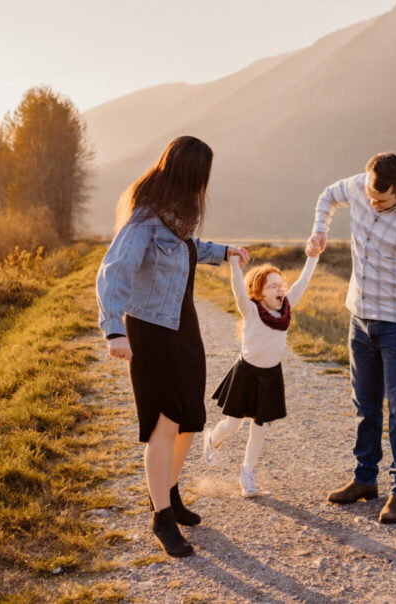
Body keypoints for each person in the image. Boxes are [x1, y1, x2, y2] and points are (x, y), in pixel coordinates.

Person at [96, 135, 249, 557]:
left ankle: (168, 491)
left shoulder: (180, 214)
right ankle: (161, 516)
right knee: (162, 423)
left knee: (190, 417)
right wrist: (114, 330)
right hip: (149, 328)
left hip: (182, 324)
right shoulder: (144, 217)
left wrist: (224, 252)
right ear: (187, 173)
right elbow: (113, 270)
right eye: (202, 174)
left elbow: (186, 248)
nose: (205, 182)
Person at [306, 152, 396, 524]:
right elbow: (327, 195)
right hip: (359, 318)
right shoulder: (359, 185)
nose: (372, 202)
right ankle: (364, 479)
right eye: (369, 194)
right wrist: (320, 229)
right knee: (364, 405)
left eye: (381, 199)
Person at [202, 247, 320, 496]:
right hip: (247, 374)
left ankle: (247, 472)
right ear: (257, 293)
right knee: (234, 424)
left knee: (260, 428)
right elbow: (237, 291)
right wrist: (234, 265)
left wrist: (313, 256)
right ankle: (212, 438)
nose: (280, 290)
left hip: (270, 377)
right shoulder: (252, 311)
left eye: (281, 284)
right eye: (272, 286)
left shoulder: (285, 309)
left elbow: (304, 281)